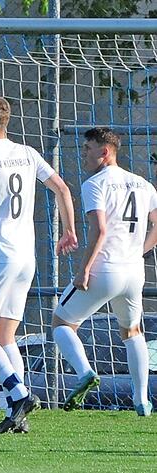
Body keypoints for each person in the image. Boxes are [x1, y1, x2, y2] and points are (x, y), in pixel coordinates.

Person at [0, 95, 79, 433]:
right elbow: (62, 189)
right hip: (27, 258)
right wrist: (68, 230)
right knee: (5, 335)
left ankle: (18, 393)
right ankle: (16, 415)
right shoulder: (27, 153)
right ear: (7, 122)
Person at [51, 127, 157, 417]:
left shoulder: (95, 183)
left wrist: (84, 269)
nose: (84, 153)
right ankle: (141, 401)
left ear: (105, 152)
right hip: (134, 272)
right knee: (132, 331)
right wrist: (141, 250)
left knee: (61, 323)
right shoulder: (143, 184)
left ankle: (84, 373)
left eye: (88, 148)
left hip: (106, 269)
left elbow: (99, 229)